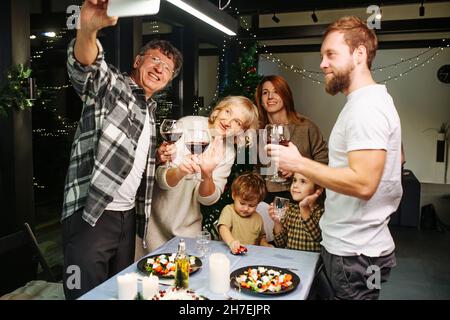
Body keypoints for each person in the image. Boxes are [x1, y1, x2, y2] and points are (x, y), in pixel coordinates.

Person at [266, 16, 401, 300]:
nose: (322, 64)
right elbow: (396, 159)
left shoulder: (366, 107)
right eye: (322, 56)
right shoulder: (371, 101)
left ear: (359, 54)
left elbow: (364, 184)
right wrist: (328, 189)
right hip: (359, 249)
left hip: (354, 254)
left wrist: (300, 163)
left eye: (331, 54)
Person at [62, 0, 182, 299]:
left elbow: (125, 151)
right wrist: (88, 32)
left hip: (128, 216)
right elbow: (87, 68)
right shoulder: (114, 87)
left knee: (121, 292)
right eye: (154, 60)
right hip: (92, 212)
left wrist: (154, 157)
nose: (160, 68)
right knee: (84, 294)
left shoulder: (150, 110)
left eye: (167, 68)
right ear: (137, 61)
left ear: (169, 80)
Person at [138, 96, 259, 254]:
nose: (229, 122)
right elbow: (161, 178)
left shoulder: (228, 151)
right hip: (153, 224)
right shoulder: (188, 125)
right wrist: (181, 171)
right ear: (218, 110)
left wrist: (207, 174)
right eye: (228, 112)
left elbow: (207, 199)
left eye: (237, 122)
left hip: (188, 230)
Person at [255, 75, 328, 203]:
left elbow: (324, 163)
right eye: (265, 93)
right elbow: (257, 170)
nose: (270, 97)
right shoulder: (259, 132)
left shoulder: (306, 126)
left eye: (276, 92)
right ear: (261, 100)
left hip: (304, 198)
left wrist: (297, 169)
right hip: (271, 198)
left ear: (286, 96)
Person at [268, 172, 324, 252]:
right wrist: (277, 222)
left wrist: (304, 208)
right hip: (292, 260)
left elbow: (318, 237)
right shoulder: (290, 209)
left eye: (303, 181)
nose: (295, 185)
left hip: (313, 262)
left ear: (318, 189)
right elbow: (281, 244)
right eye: (294, 180)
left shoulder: (322, 212)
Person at [218, 173, 272, 254]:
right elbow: (223, 228)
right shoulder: (229, 210)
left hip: (249, 256)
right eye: (242, 203)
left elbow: (262, 236)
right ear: (233, 195)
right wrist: (231, 242)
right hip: (228, 254)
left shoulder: (258, 218)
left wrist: (264, 243)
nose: (246, 209)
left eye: (252, 205)